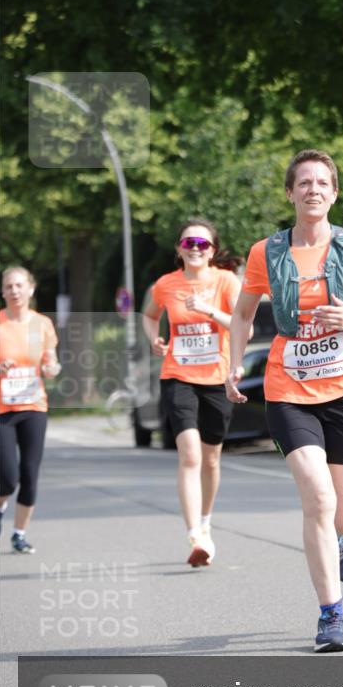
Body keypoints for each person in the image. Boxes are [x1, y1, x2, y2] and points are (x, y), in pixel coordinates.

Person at [227, 150, 343, 652]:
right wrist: (234, 363)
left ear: (333, 193)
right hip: (289, 389)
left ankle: (337, 539)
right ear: (290, 193)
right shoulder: (266, 252)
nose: (313, 189)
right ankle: (331, 615)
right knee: (318, 498)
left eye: (322, 183)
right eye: (304, 183)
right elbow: (242, 315)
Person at [142, 218, 244, 567]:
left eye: (202, 244)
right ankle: (195, 536)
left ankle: (205, 521)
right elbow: (149, 315)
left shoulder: (226, 281)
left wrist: (209, 310)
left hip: (216, 378)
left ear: (212, 250)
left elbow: (242, 325)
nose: (195, 249)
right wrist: (153, 338)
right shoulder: (166, 284)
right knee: (189, 455)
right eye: (189, 243)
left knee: (211, 458)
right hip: (178, 375)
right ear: (179, 249)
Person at [0, 266, 61, 553]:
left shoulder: (42, 325)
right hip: (2, 410)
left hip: (33, 406)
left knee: (30, 475)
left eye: (19, 285)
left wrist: (51, 368)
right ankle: (0, 508)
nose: (14, 291)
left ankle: (19, 534)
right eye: (9, 286)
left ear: (30, 289)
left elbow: (50, 361)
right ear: (2, 291)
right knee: (7, 477)